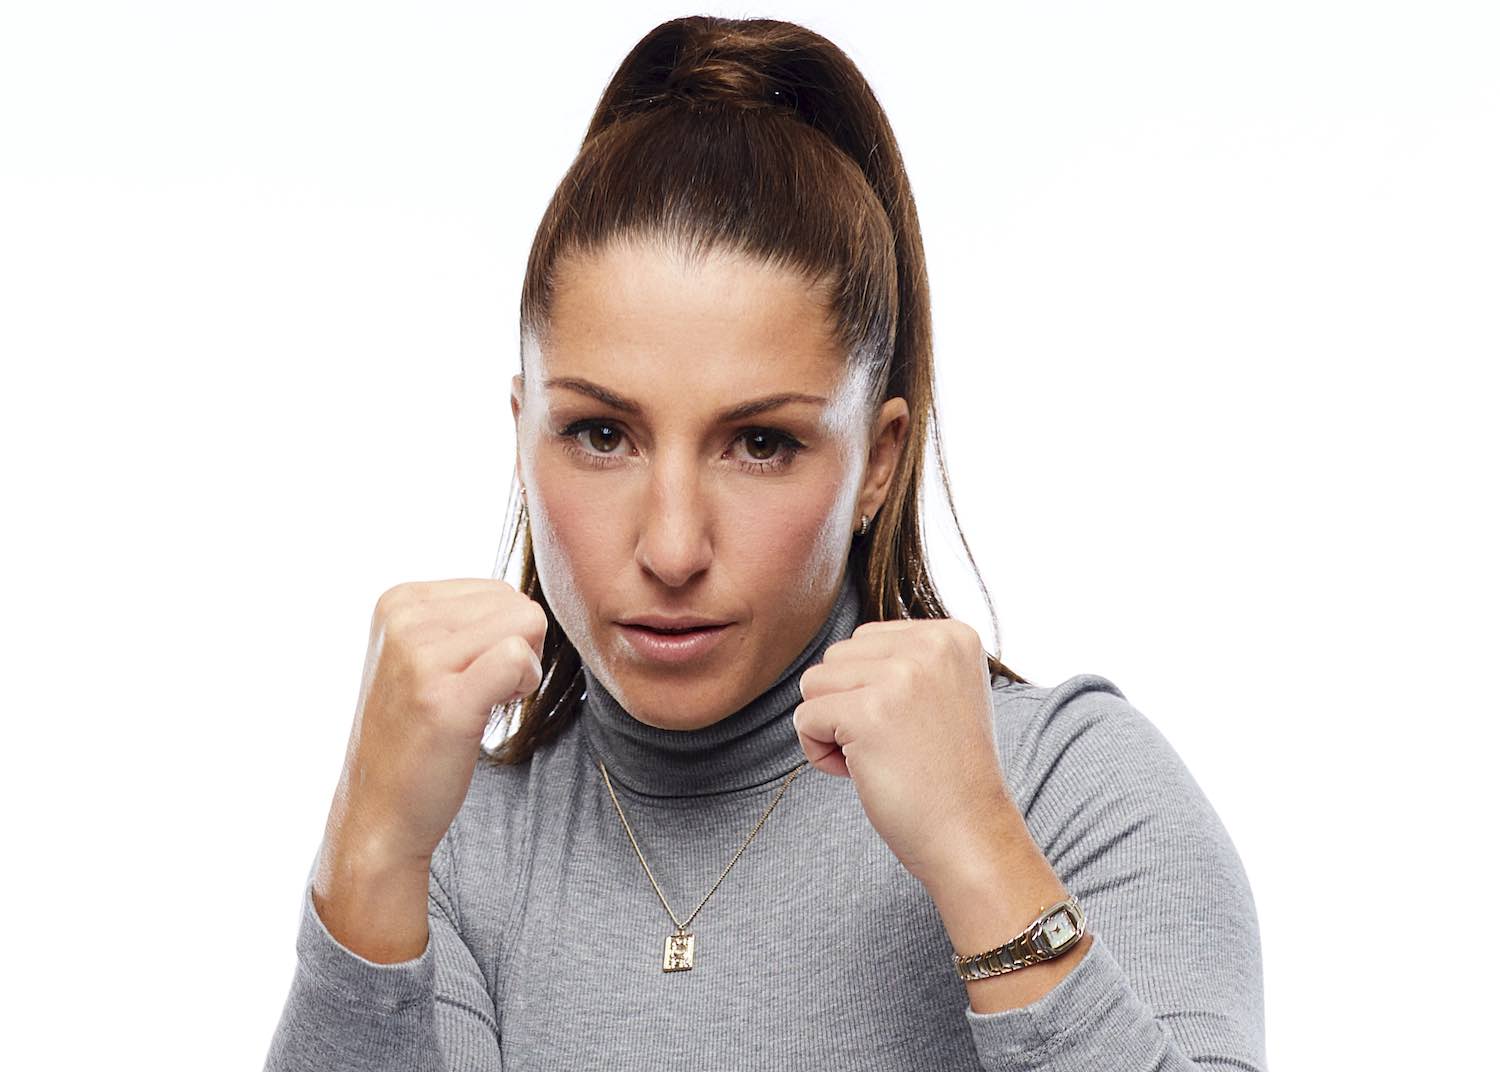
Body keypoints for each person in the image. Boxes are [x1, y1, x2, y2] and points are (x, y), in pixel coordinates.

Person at [263, 15, 1265, 1071]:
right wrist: (366, 857)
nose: (672, 547)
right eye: (601, 434)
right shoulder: (455, 843)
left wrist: (980, 853)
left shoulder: (1072, 788)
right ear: (523, 433)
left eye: (760, 443)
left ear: (878, 460)